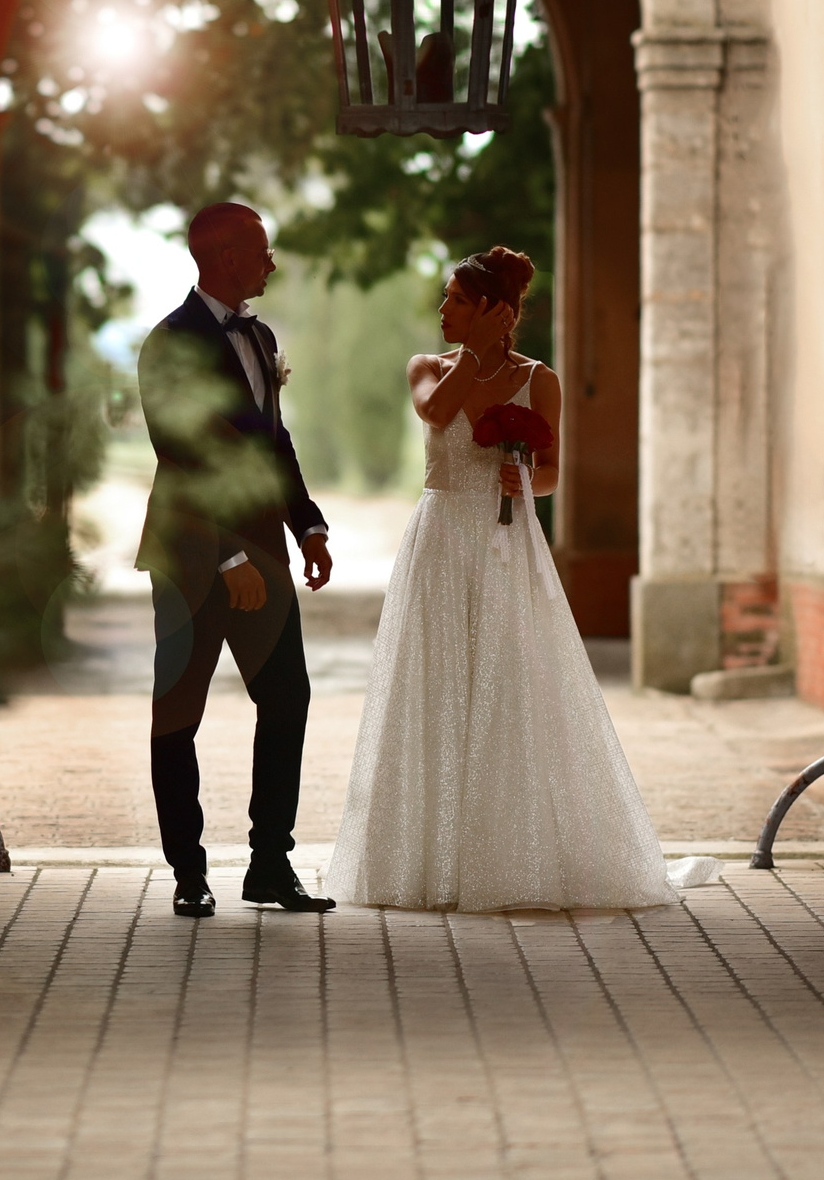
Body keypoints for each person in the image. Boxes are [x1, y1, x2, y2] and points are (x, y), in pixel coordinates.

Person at [324, 246, 680, 912]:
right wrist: (474, 351)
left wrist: (529, 482)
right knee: (433, 683)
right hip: (438, 539)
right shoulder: (428, 366)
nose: (443, 310)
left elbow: (550, 470)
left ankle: (512, 855)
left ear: (495, 309)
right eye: (446, 298)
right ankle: (424, 859)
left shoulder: (539, 380)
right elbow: (436, 414)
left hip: (506, 541)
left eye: (458, 299)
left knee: (508, 681)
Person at [134, 203, 337, 918]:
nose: (272, 260)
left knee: (288, 698)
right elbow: (182, 456)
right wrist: (226, 559)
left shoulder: (262, 336)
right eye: (261, 248)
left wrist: (307, 525)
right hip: (193, 557)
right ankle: (189, 872)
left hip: (267, 552)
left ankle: (270, 864)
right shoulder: (168, 345)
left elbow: (273, 444)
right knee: (177, 714)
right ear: (223, 256)